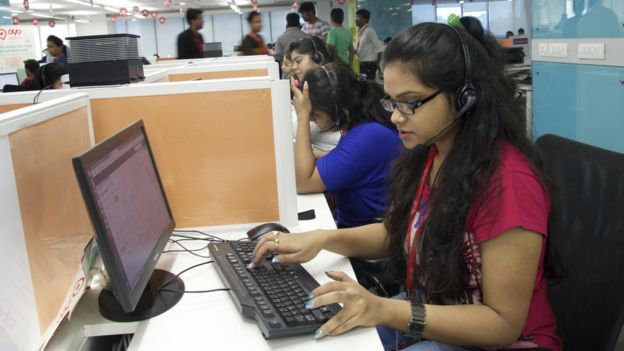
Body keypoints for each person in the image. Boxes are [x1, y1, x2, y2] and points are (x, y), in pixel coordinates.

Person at [250, 19, 563, 351]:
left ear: (465, 97)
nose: (397, 116)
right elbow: (398, 232)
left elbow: (501, 324)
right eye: (392, 102)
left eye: (410, 103)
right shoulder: (434, 151)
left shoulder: (508, 183)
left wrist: (385, 309)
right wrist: (323, 239)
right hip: (436, 312)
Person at [289, 63, 401, 227]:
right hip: (353, 227)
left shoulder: (368, 136)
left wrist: (303, 116)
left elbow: (303, 183)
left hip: (365, 242)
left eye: (316, 114)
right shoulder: (364, 127)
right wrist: (319, 155)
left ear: (341, 111)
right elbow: (354, 163)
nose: (313, 120)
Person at [288, 37, 340, 155]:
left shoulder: (333, 89)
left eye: (298, 61)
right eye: (293, 62)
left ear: (318, 58)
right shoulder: (309, 89)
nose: (294, 67)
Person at [355, 9, 383, 81]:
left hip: (369, 65)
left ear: (365, 20)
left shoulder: (370, 31)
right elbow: (356, 49)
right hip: (362, 64)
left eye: (359, 18)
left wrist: (377, 64)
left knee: (368, 86)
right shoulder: (359, 34)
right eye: (356, 17)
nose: (356, 19)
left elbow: (380, 49)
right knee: (363, 85)